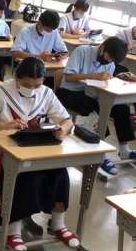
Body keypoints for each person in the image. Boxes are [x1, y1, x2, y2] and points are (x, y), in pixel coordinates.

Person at [0, 57, 78, 251]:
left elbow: (66, 120)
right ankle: (13, 230)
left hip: (35, 149)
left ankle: (58, 224)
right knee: (23, 177)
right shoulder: (1, 92)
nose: (32, 89)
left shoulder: (46, 93)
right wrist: (5, 125)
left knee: (60, 173)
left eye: (37, 85)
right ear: (17, 78)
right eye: (27, 85)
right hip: (1, 153)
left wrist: (63, 130)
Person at [56, 37, 136, 175]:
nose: (109, 62)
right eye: (109, 57)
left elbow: (105, 80)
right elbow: (68, 77)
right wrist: (94, 76)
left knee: (121, 107)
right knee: (97, 111)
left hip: (92, 94)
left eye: (113, 61)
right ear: (102, 48)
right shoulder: (82, 51)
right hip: (69, 92)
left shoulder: (110, 61)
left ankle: (124, 149)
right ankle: (99, 153)